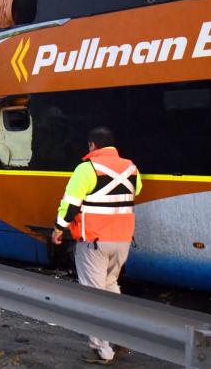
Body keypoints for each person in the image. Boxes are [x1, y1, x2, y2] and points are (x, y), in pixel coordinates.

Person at [50, 126, 142, 365]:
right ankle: (122, 336)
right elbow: (136, 191)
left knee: (92, 294)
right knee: (110, 285)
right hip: (122, 240)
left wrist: (59, 229)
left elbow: (70, 203)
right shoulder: (131, 167)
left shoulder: (87, 168)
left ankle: (102, 350)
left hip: (94, 241)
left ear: (92, 145)